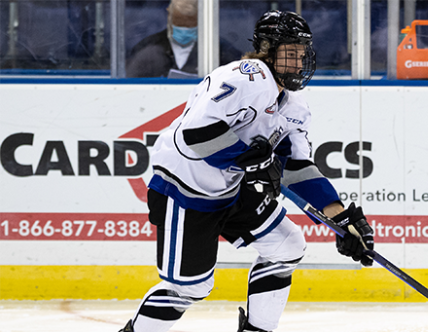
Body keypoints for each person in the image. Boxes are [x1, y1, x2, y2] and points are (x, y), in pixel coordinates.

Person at [118, 10, 375, 332]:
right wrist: (247, 160)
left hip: (233, 187)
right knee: (187, 289)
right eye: (290, 53)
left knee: (287, 247)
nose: (298, 63)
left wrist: (340, 219)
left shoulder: (295, 106)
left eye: (302, 54)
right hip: (186, 189)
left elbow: (296, 167)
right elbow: (195, 134)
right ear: (267, 50)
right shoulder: (244, 77)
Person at [126, 0, 198, 78]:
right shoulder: (148, 48)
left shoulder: (209, 51)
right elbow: (131, 84)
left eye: (190, 24)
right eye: (179, 23)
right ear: (169, 18)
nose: (184, 29)